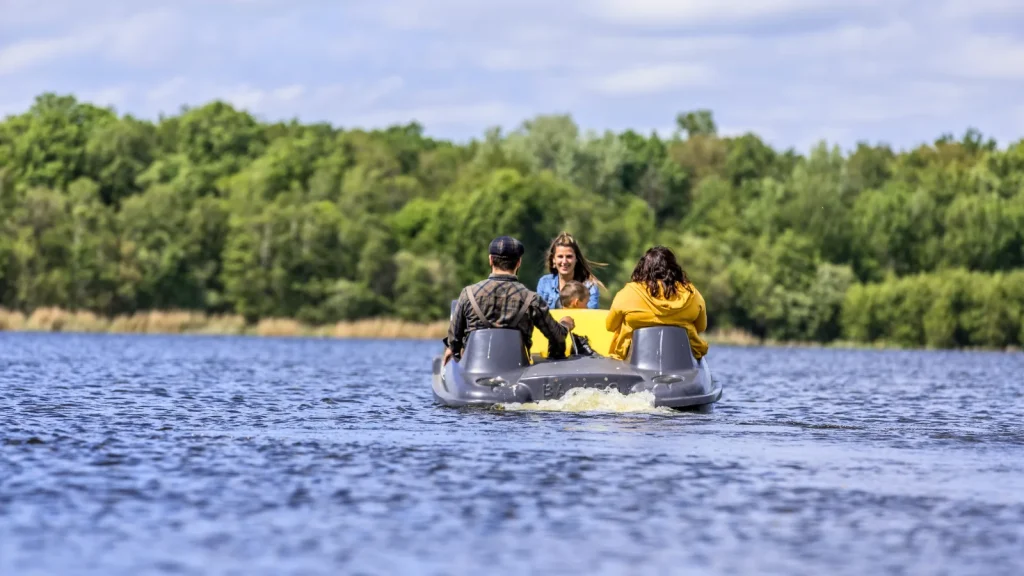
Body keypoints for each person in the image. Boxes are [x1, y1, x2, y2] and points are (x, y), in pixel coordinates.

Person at [443, 235, 576, 365]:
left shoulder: (468, 293)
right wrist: (565, 324)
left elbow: (454, 340)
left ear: (490, 260)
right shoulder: (532, 299)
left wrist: (454, 355)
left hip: (474, 369)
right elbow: (557, 337)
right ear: (518, 262)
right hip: (516, 369)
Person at [606, 246, 708, 361]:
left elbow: (610, 326)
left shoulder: (629, 292)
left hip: (632, 360)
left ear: (644, 267)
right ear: (674, 268)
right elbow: (701, 327)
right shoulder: (692, 293)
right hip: (682, 361)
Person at [536, 232, 605, 309]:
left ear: (576, 259)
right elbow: (539, 315)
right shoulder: (545, 283)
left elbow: (591, 316)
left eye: (569, 256)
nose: (564, 261)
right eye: (560, 256)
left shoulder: (589, 287)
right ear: (553, 260)